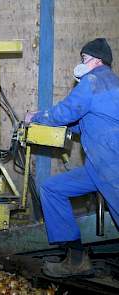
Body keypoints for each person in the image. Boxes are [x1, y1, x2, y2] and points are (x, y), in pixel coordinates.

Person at [26, 38, 119, 278]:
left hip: (112, 164)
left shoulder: (93, 81)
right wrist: (68, 130)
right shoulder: (111, 84)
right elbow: (86, 122)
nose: (81, 63)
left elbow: (65, 112)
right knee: (52, 187)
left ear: (97, 60)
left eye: (84, 59)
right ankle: (76, 258)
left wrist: (36, 116)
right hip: (97, 167)